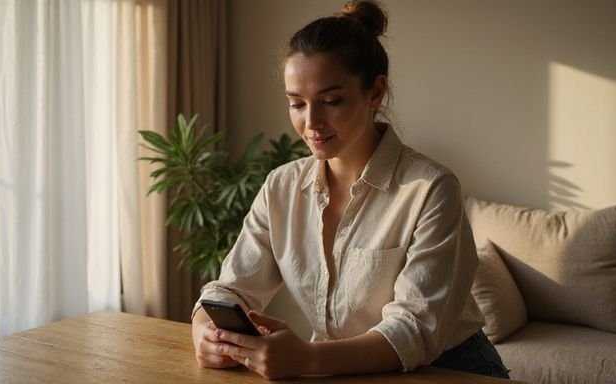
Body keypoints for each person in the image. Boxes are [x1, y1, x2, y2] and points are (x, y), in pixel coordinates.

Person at [191, 0, 509, 380]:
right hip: (340, 371)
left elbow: (415, 329)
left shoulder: (431, 189)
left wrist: (307, 359)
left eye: (331, 101)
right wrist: (205, 333)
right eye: (296, 104)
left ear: (375, 93)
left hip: (450, 370)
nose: (311, 123)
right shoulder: (281, 187)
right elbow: (229, 290)